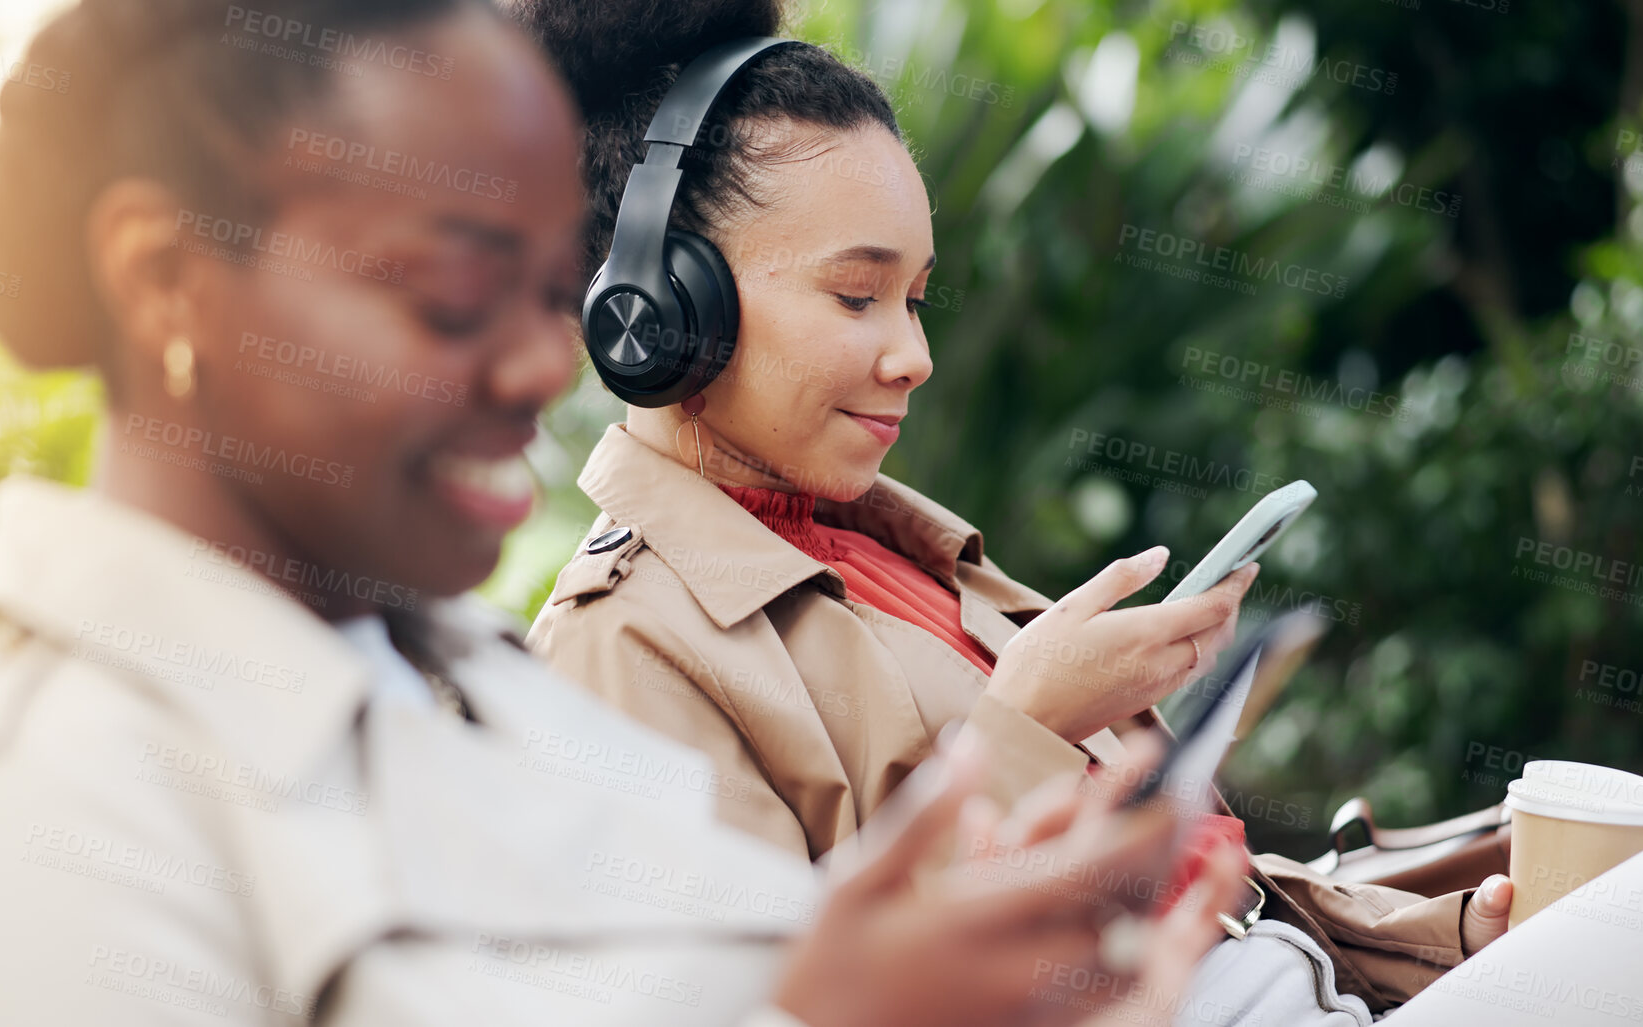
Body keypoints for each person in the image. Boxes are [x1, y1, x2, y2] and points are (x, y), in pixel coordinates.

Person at [0, 1, 1249, 1024]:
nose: (532, 365)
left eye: (542, 292)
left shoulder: (480, 704)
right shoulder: (46, 820)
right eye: (447, 294)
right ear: (164, 279)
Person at [513, 0, 1517, 1012]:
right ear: (661, 307)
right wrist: (1027, 726)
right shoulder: (619, 651)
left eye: (916, 299)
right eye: (857, 297)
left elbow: (1189, 893)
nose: (915, 357)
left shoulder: (893, 549)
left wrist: (1448, 933)